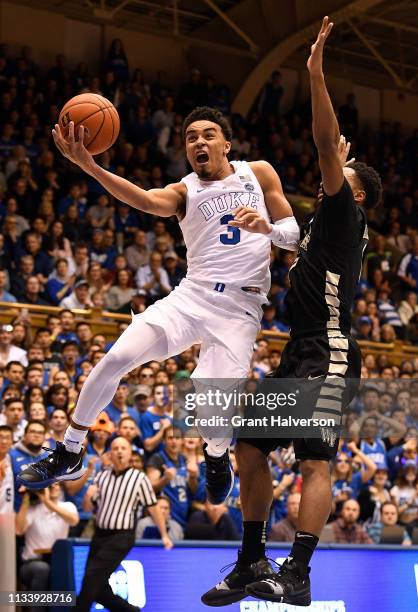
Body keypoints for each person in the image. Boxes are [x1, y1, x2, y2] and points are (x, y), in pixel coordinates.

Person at [18, 104, 299, 513]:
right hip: (192, 296)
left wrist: (268, 229)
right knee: (117, 357)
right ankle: (70, 451)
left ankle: (217, 455)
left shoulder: (259, 172)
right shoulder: (184, 191)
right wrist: (91, 167)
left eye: (207, 134)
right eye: (190, 138)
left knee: (212, 412)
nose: (198, 142)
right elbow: (146, 200)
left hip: (240, 307)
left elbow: (293, 235)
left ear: (227, 143)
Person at [202, 18, 382, 607]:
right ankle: (252, 561)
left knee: (314, 461)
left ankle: (298, 572)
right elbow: (325, 174)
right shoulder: (324, 224)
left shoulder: (343, 214)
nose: (327, 177)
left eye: (337, 178)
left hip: (329, 350)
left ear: (353, 195)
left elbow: (325, 143)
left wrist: (315, 74)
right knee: (250, 446)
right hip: (299, 348)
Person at [76, 437, 172, 611]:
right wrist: (88, 495)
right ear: (110, 453)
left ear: (130, 453)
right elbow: (88, 507)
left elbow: (153, 507)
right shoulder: (102, 476)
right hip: (99, 535)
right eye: (115, 448)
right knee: (98, 587)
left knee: (92, 577)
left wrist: (164, 535)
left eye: (123, 448)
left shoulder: (139, 478)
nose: (119, 451)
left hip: (121, 536)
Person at [16, 483, 79, 601]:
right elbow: (19, 530)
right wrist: (25, 500)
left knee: (65, 571)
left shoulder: (67, 506)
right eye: (50, 485)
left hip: (58, 562)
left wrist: (47, 502)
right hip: (32, 562)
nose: (55, 487)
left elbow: (74, 520)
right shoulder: (33, 510)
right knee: (42, 569)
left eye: (57, 485)